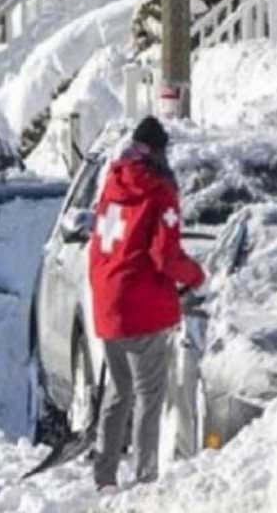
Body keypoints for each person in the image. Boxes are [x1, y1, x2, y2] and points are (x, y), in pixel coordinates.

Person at [89, 115, 205, 491]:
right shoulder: (160, 192)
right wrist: (197, 277)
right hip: (142, 306)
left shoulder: (112, 184)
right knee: (148, 395)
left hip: (108, 302)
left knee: (118, 391)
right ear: (159, 151)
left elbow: (98, 245)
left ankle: (104, 474)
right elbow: (164, 255)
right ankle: (144, 478)